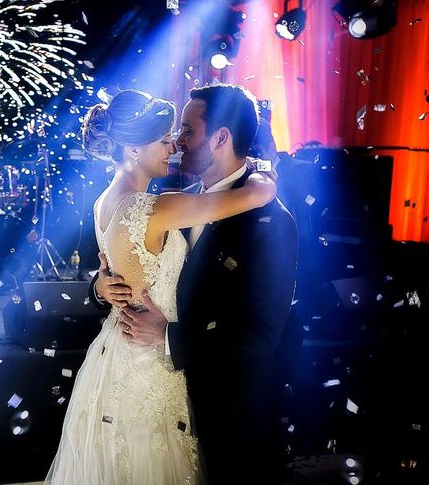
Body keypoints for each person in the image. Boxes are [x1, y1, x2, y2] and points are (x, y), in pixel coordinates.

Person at [46, 89, 277, 484]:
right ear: (134, 148)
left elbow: (114, 268)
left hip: (118, 355)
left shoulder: (108, 200)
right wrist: (265, 171)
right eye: (166, 138)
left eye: (179, 133)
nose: (173, 145)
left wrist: (103, 287)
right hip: (149, 364)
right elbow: (259, 195)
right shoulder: (154, 207)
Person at [101, 85, 298, 484]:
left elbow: (261, 333)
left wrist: (168, 337)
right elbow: (135, 264)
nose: (176, 143)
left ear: (221, 138)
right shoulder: (175, 202)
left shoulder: (272, 223)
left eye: (188, 131)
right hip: (159, 399)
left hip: (227, 411)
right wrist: (100, 286)